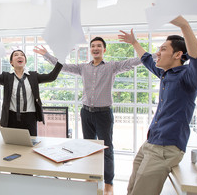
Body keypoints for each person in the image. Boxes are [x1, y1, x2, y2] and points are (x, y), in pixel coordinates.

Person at [34, 37, 142, 195]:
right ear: (90, 50)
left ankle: (108, 182)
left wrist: (153, 56)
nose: (95, 48)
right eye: (93, 46)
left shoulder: (112, 66)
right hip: (86, 113)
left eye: (99, 46)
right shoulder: (83, 67)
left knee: (107, 149)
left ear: (104, 50)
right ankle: (90, 177)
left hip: (104, 113)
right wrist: (47, 55)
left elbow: (133, 62)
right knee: (88, 147)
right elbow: (62, 67)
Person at [118, 15, 197, 195]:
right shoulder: (166, 74)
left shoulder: (188, 77)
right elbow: (147, 59)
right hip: (151, 143)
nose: (157, 53)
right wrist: (134, 42)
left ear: (177, 55)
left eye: (163, 49)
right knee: (131, 188)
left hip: (166, 147)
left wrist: (184, 25)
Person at [0, 50, 62, 136]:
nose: (19, 56)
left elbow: (51, 77)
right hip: (11, 117)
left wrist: (60, 61)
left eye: (22, 55)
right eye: (16, 55)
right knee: (11, 145)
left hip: (30, 117)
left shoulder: (33, 76)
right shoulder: (6, 77)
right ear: (11, 62)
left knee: (30, 144)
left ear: (25, 61)